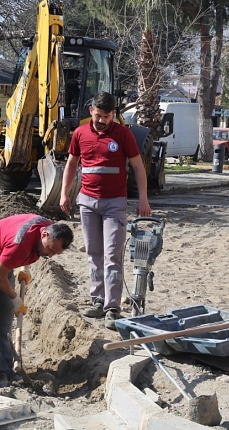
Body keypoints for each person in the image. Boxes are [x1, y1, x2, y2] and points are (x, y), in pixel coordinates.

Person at [59, 91, 151, 330]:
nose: (101, 121)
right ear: (91, 111)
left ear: (114, 115)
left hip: (115, 204)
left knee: (112, 256)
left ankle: (112, 307)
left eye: (107, 117)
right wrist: (64, 192)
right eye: (98, 115)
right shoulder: (80, 133)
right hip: (87, 203)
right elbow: (71, 164)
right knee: (93, 253)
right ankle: (97, 300)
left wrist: (143, 199)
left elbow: (138, 167)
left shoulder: (123, 135)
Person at [0, 214, 73, 388]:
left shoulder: (46, 231)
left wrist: (24, 265)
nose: (50, 256)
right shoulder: (19, 244)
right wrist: (14, 298)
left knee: (5, 323)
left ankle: (8, 369)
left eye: (54, 253)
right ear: (44, 235)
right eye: (50, 250)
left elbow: (15, 257)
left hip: (3, 264)